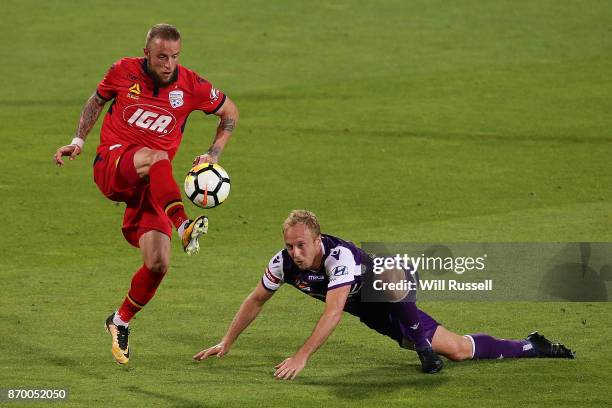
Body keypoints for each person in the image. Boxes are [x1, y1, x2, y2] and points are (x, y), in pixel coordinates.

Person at [193, 210, 575, 380]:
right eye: (290, 245)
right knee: (458, 349)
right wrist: (227, 341)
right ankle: (532, 346)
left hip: (394, 281)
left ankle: (422, 345)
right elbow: (255, 299)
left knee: (389, 280)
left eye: (301, 244)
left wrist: (301, 356)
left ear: (317, 238)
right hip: (374, 312)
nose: (295, 252)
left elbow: (333, 313)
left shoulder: (338, 256)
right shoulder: (283, 263)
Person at [54, 23, 239, 365]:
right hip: (114, 162)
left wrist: (214, 153)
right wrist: (78, 140)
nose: (168, 64)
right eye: (161, 57)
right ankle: (184, 224)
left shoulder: (192, 85)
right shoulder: (123, 71)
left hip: (155, 181)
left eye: (174, 57)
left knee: (158, 263)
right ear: (147, 55)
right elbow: (97, 100)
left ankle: (119, 320)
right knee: (157, 157)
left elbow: (230, 112)